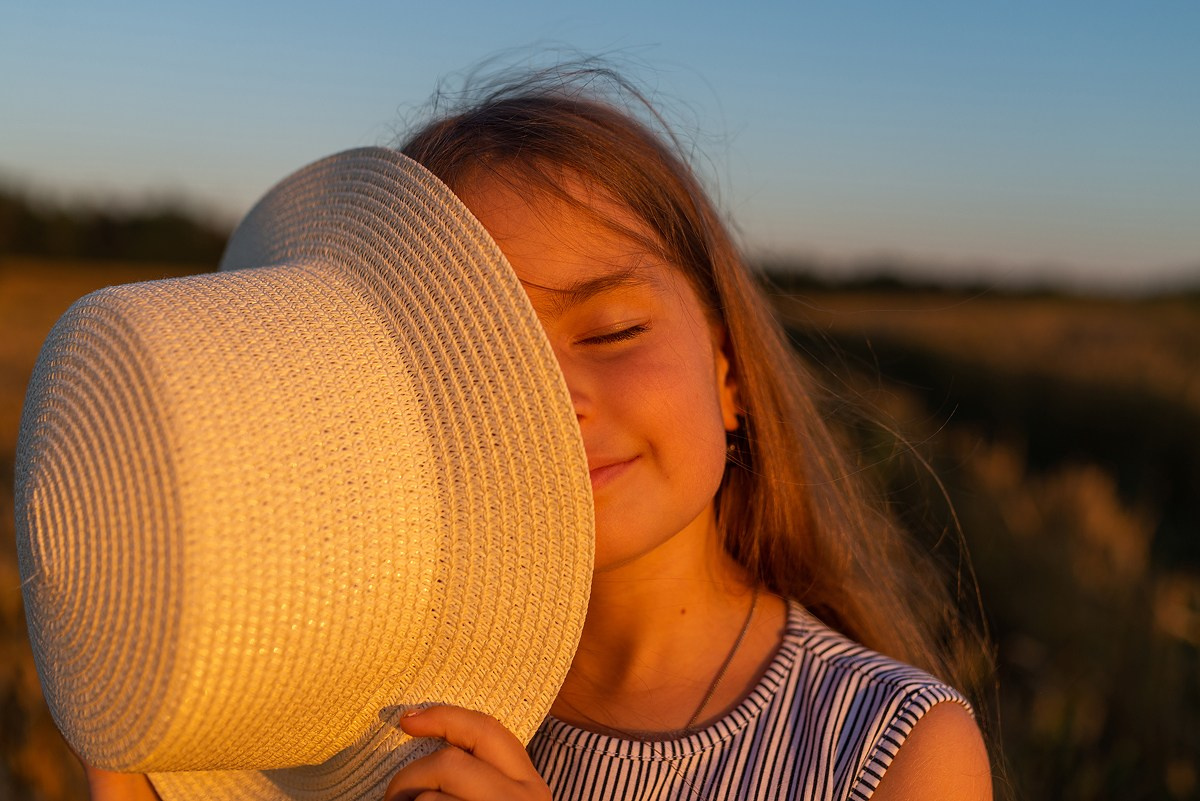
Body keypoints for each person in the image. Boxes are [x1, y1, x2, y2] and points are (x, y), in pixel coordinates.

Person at [82, 65, 992, 800]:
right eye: (480, 369)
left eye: (613, 331)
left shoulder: (892, 749)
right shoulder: (365, 737)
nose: (555, 402)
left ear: (729, 370)